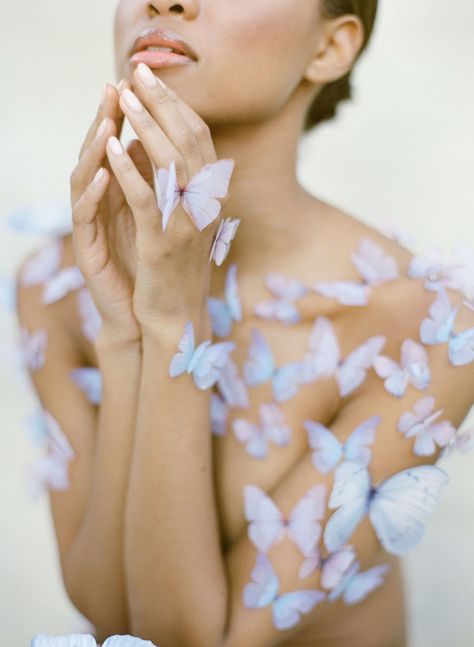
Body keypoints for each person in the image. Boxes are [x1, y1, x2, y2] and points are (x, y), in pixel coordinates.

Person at [16, 1, 474, 646]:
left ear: (330, 49)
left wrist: (174, 325)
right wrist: (125, 335)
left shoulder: (419, 330)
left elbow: (191, 641)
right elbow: (110, 615)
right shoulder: (56, 284)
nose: (166, 1)